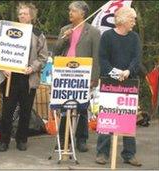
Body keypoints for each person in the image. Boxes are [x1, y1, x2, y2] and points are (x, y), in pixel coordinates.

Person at [0, 2, 48, 152]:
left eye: (25, 13)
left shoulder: (38, 34)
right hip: (10, 78)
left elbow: (43, 57)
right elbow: (1, 52)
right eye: (20, 14)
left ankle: (22, 139)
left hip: (28, 78)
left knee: (26, 111)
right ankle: (4, 141)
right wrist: (3, 67)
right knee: (7, 110)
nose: (22, 16)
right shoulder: (8, 30)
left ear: (31, 16)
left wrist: (32, 67)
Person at [95, 6, 142, 167]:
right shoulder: (107, 36)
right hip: (110, 82)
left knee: (127, 117)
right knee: (107, 117)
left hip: (129, 82)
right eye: (132, 19)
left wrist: (128, 71)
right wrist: (116, 73)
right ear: (122, 19)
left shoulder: (134, 37)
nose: (134, 23)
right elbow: (103, 59)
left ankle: (129, 154)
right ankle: (102, 152)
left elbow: (137, 58)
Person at [52, 1, 101, 152]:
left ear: (82, 13)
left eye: (73, 11)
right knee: (65, 106)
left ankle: (81, 139)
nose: (70, 13)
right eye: (69, 11)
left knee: (81, 107)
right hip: (65, 73)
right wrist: (64, 38)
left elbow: (96, 55)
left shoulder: (93, 32)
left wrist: (94, 77)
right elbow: (56, 51)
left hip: (83, 75)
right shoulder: (64, 29)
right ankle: (63, 139)